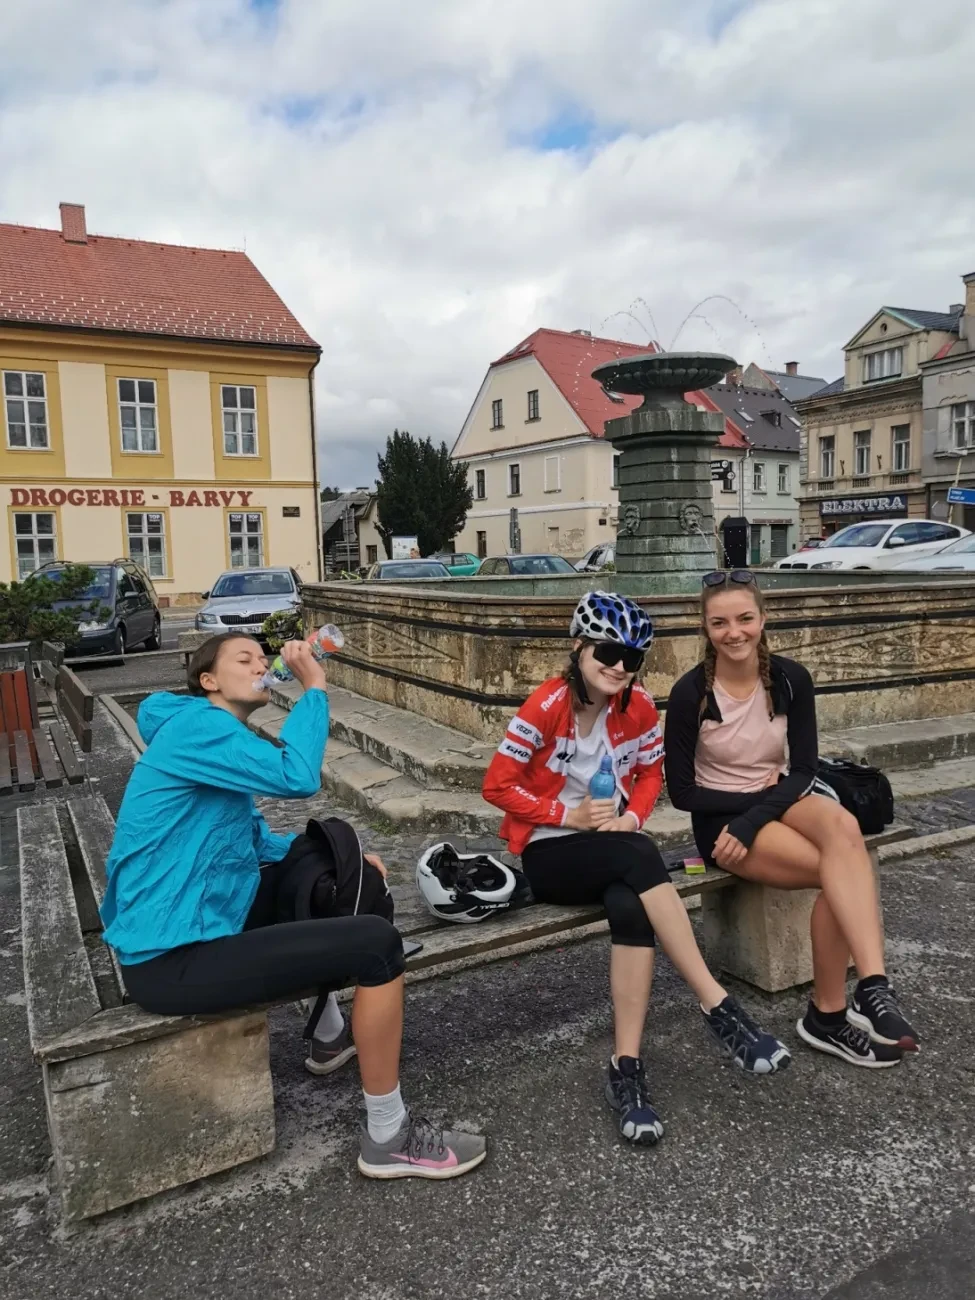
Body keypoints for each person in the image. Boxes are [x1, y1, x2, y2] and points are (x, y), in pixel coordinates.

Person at [100, 633, 486, 1181]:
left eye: (262, 657)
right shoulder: (198, 727)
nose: (261, 664)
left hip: (190, 933)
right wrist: (315, 687)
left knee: (312, 871)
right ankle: (389, 1135)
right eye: (244, 659)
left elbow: (260, 845)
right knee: (378, 945)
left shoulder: (206, 736)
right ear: (208, 681)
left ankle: (328, 1034)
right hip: (170, 959)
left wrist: (343, 859)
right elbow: (297, 777)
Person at [482, 591, 790, 1148]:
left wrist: (631, 816)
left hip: (610, 845)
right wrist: (568, 816)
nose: (619, 666)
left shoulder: (638, 704)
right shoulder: (546, 705)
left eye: (632, 657)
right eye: (607, 651)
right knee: (641, 855)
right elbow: (496, 785)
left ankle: (625, 1069)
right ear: (579, 647)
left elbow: (651, 772)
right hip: (549, 853)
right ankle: (717, 1005)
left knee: (631, 903)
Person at [664, 569, 919, 1068]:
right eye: (720, 623)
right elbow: (683, 793)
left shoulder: (789, 679)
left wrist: (761, 809)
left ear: (763, 619)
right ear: (705, 629)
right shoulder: (691, 693)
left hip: (778, 797)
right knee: (842, 871)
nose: (734, 632)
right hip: (722, 820)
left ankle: (872, 987)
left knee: (844, 830)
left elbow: (803, 770)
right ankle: (828, 1016)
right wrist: (747, 818)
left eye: (744, 619)